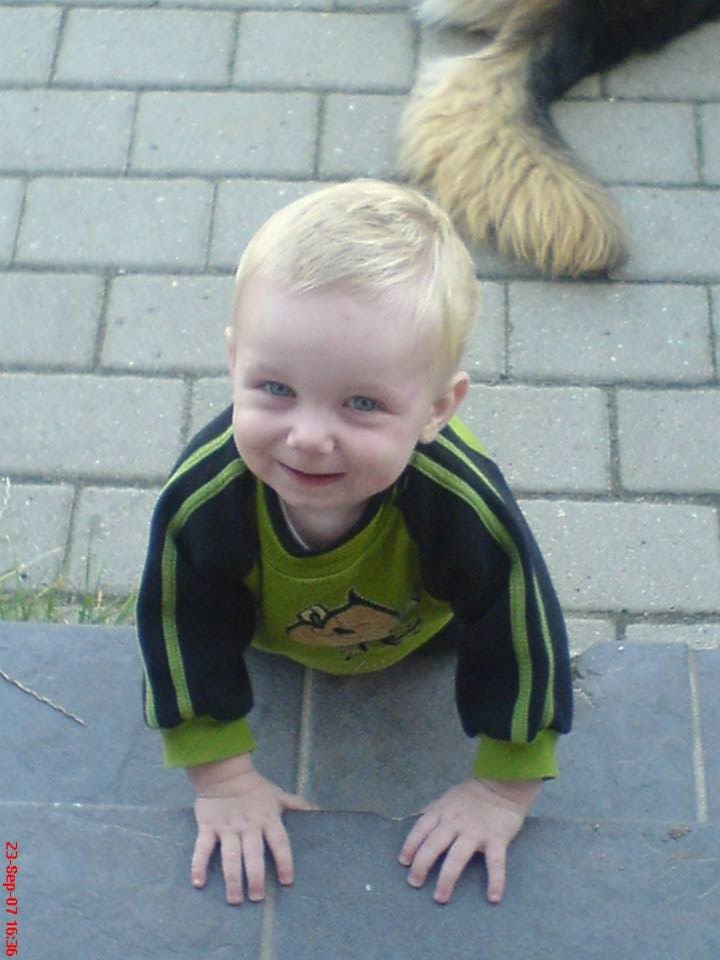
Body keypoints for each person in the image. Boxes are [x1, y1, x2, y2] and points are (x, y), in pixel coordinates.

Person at [136, 178, 572, 909]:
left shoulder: (462, 501)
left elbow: (520, 623)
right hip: (270, 642)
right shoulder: (205, 497)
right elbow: (180, 625)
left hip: (421, 639)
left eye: (362, 403)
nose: (308, 436)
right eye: (275, 388)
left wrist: (503, 788)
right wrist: (224, 780)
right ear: (234, 363)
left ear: (436, 409)